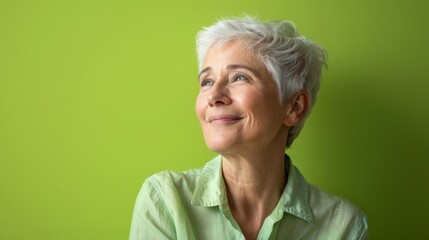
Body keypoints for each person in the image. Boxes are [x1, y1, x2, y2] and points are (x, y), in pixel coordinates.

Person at [130, 16, 368, 240]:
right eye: (207, 81)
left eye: (239, 78)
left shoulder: (343, 226)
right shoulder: (164, 199)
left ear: (293, 107)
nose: (213, 95)